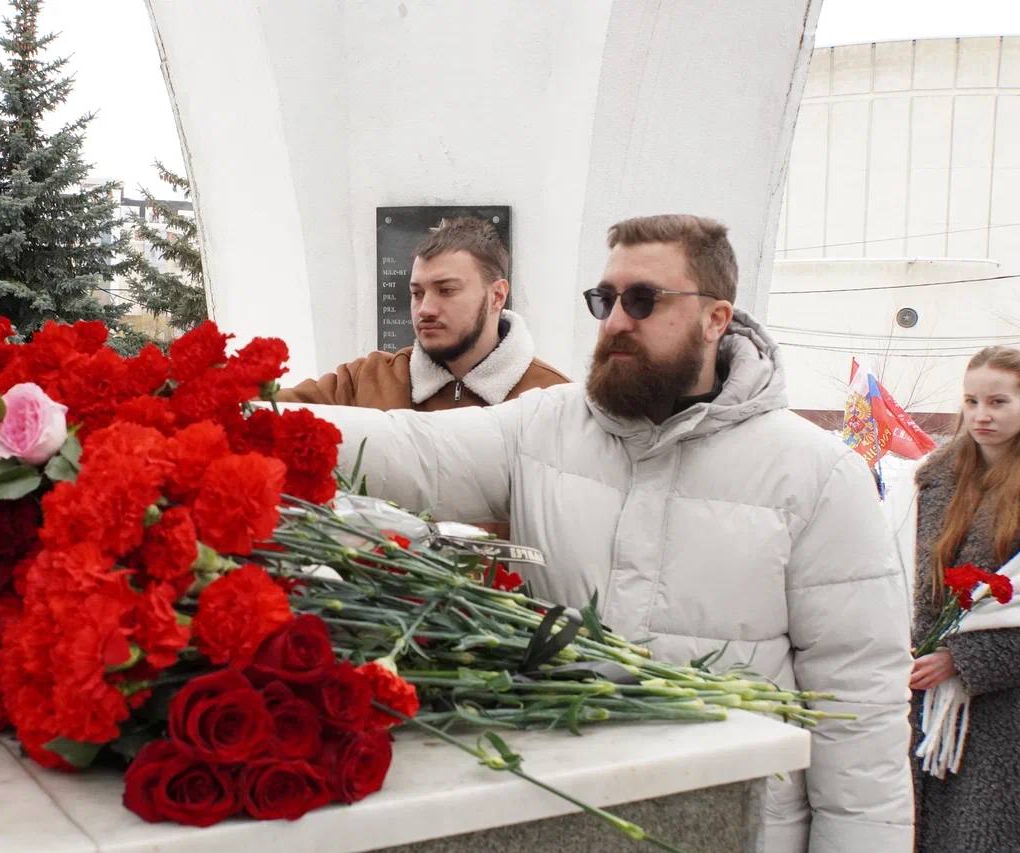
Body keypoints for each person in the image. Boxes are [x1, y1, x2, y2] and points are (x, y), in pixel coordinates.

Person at [292, 214, 913, 851]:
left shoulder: (816, 474)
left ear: (715, 318)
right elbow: (413, 449)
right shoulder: (544, 426)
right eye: (605, 299)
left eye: (643, 300)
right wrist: (241, 418)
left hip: (737, 825)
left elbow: (859, 705)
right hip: (571, 819)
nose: (616, 320)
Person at [908, 346, 1020, 853]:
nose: (981, 415)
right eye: (972, 401)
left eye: (998, 402)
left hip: (1002, 712)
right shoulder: (934, 479)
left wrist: (966, 658)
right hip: (923, 697)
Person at [277, 217, 568, 411]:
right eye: (417, 293)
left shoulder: (552, 400)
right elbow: (265, 413)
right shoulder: (364, 383)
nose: (425, 309)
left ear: (497, 296)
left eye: (446, 290)